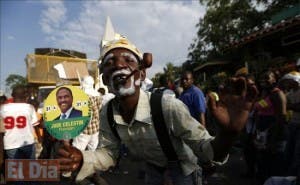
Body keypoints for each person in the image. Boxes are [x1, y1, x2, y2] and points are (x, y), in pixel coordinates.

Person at [57, 31, 258, 185]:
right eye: (110, 62)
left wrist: (229, 134)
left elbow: (207, 152)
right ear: (105, 80)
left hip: (183, 170)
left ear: (142, 75)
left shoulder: (168, 106)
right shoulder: (107, 112)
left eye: (128, 60)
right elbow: (109, 153)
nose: (119, 65)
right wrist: (83, 158)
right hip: (153, 168)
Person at [0, 85, 39, 160]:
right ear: (25, 95)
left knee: (15, 170)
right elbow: (36, 126)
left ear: (12, 95)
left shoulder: (3, 108)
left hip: (10, 143)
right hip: (28, 143)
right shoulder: (29, 107)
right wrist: (40, 141)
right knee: (30, 169)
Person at [72, 75, 102, 151]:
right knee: (93, 153)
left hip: (84, 131)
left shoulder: (83, 97)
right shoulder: (98, 96)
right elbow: (99, 110)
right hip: (95, 129)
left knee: (77, 152)